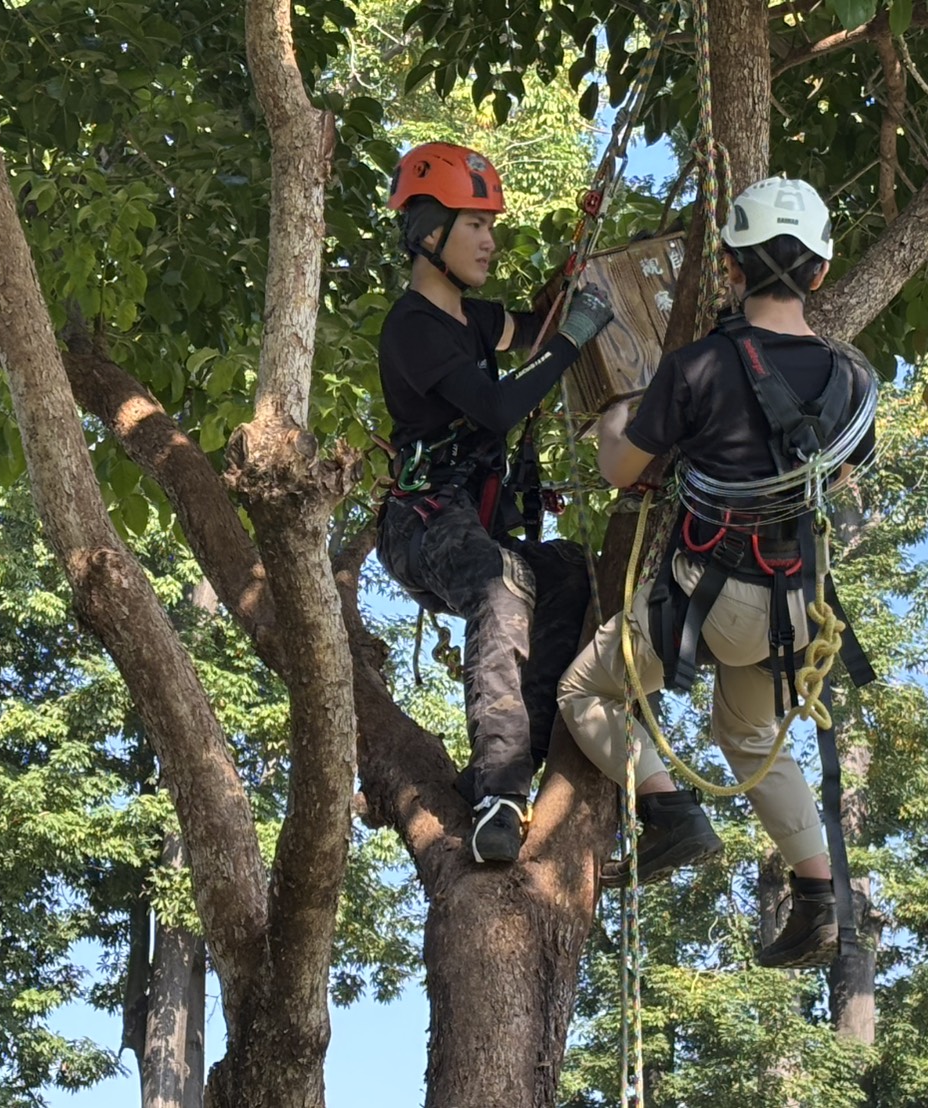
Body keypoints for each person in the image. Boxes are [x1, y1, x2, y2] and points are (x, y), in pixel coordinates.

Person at [556, 177, 878, 968]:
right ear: (820, 273)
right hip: (796, 608)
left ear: (730, 268)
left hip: (711, 597)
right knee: (748, 733)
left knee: (582, 691)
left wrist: (610, 417)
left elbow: (624, 470)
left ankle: (669, 814)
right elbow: (840, 478)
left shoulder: (695, 366)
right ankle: (817, 896)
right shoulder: (855, 381)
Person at [375, 142, 615, 865]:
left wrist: (561, 294)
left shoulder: (474, 319)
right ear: (428, 234)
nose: (489, 241)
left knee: (572, 573)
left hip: (476, 523)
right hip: (422, 526)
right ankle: (497, 793)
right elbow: (498, 405)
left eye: (490, 226)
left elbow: (527, 330)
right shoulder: (412, 327)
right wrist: (572, 342)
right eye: (474, 225)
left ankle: (525, 765)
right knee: (500, 587)